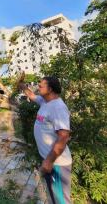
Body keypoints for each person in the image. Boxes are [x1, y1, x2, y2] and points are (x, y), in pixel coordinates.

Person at [18, 76, 72, 204]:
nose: (38, 88)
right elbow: (31, 95)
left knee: (61, 200)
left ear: (50, 89)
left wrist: (49, 161)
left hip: (57, 163)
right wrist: (21, 84)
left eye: (41, 86)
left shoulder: (58, 107)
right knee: (54, 196)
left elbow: (63, 136)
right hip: (50, 160)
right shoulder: (45, 101)